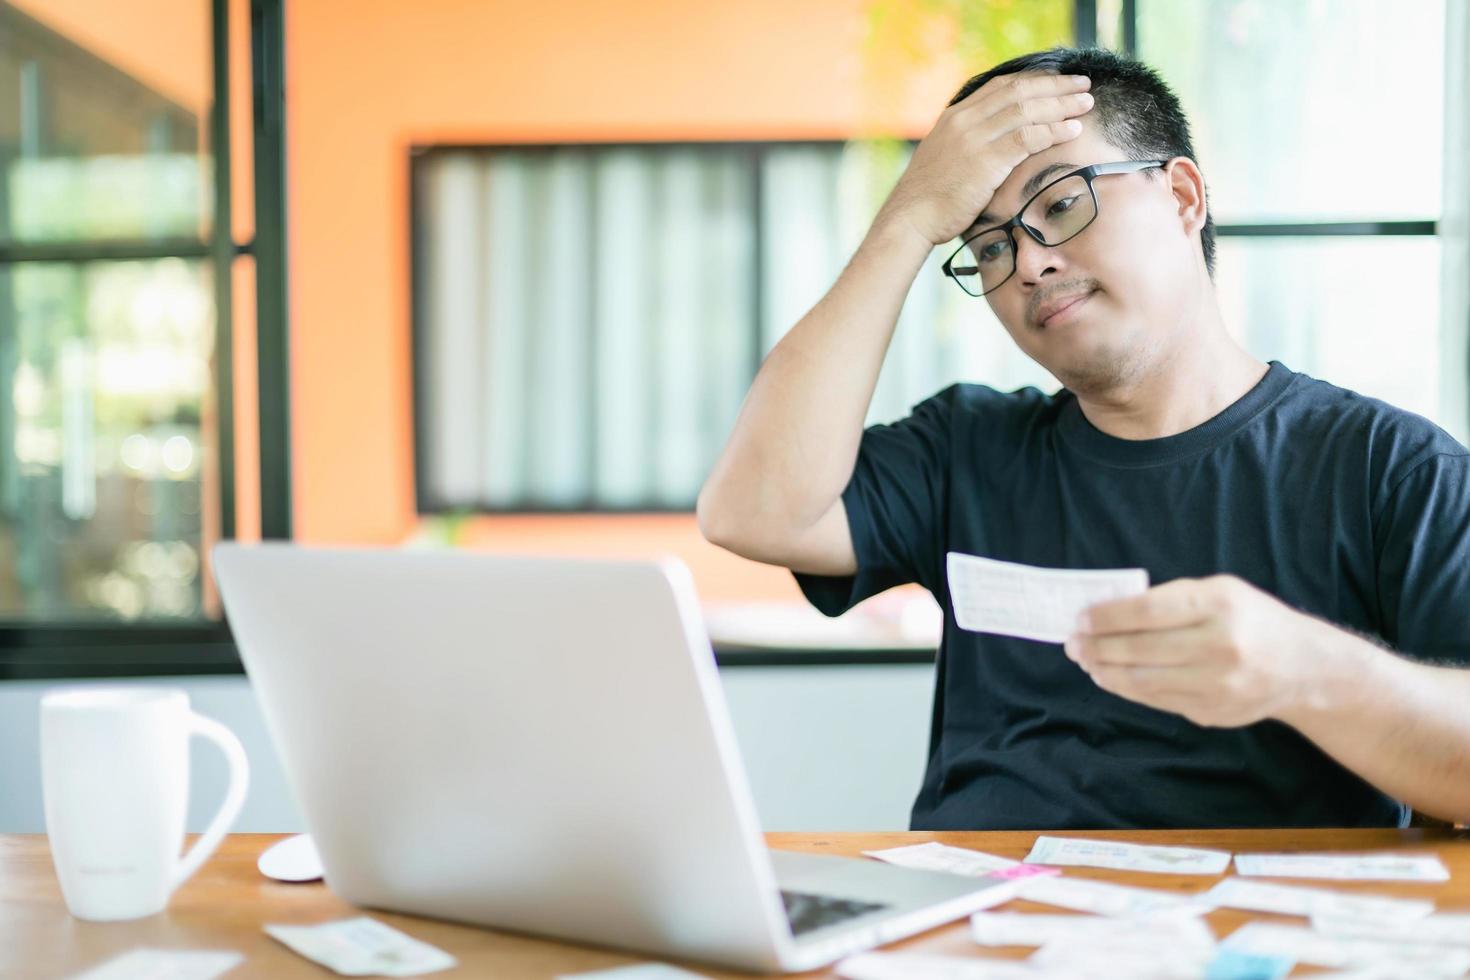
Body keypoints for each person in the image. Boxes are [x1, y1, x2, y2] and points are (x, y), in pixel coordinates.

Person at [697, 46, 1470, 830]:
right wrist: (910, 218)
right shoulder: (968, 447)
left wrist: (1303, 668)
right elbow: (754, 513)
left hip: (1243, 938)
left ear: (1181, 197)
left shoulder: (1390, 470)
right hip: (976, 933)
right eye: (990, 246)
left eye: (1061, 205)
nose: (1028, 263)